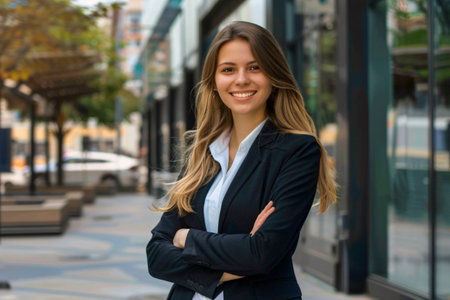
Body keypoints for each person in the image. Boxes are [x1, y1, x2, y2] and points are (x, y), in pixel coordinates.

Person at [146, 21, 337, 300]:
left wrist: (185, 238)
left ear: (273, 74)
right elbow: (156, 255)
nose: (241, 79)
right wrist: (235, 258)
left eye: (254, 67)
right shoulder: (202, 151)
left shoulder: (298, 151)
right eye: (228, 70)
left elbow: (262, 254)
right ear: (214, 81)